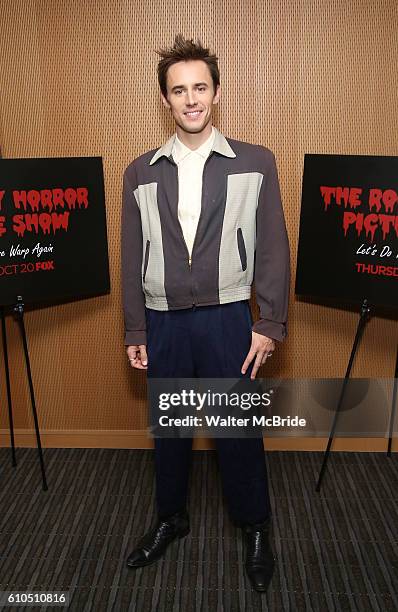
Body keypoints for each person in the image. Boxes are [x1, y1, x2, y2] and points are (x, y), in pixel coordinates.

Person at [121, 34, 290, 593]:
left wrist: (267, 323)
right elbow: (131, 253)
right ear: (166, 100)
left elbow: (272, 248)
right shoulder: (141, 171)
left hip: (226, 320)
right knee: (169, 431)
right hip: (164, 319)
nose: (190, 99)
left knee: (237, 431)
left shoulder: (256, 162)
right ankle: (171, 517)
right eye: (178, 90)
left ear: (216, 93)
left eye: (200, 87)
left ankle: (255, 525)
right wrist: (136, 326)